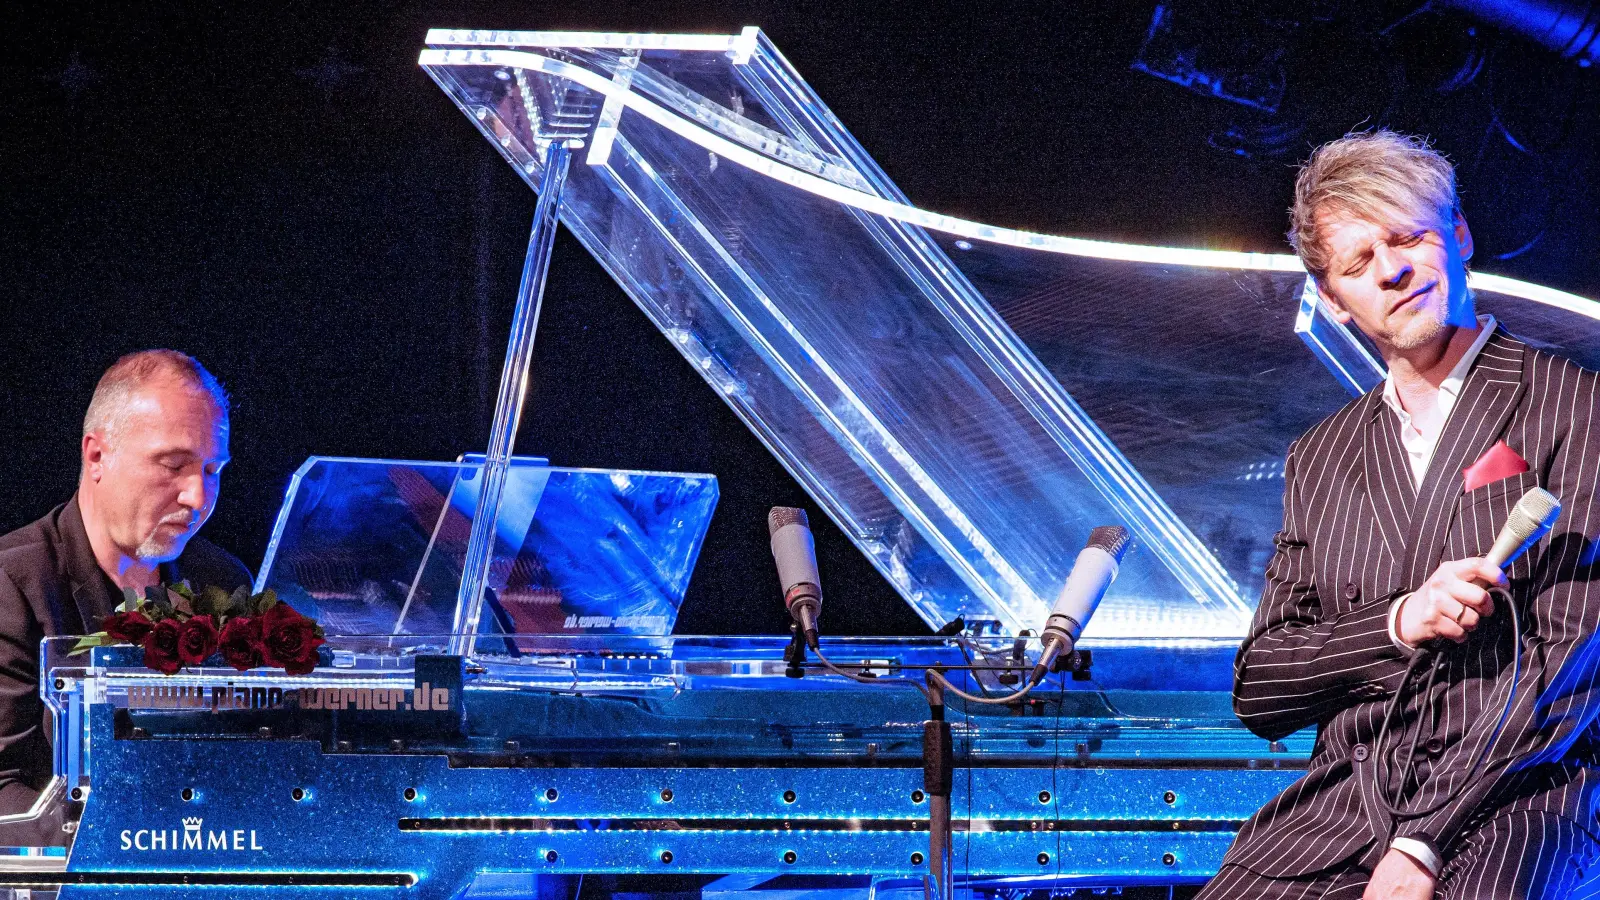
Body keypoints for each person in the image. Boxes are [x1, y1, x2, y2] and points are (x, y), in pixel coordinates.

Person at [1197, 131, 1600, 899]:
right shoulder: (1321, 456)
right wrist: (1397, 622)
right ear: (1334, 302)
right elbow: (1262, 688)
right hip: (1343, 803)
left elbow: (1567, 664)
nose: (1392, 269)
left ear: (1460, 235)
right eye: (1358, 262)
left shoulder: (1578, 407)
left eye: (1409, 235)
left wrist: (1421, 843)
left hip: (1523, 792)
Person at [0, 350, 250, 825]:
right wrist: (137, 839)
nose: (198, 497)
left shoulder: (223, 580)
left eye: (213, 471)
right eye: (173, 464)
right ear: (97, 456)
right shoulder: (11, 584)